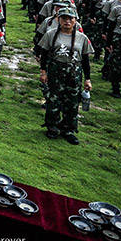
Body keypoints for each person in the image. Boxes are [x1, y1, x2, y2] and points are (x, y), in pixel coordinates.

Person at [37, 8, 93, 144]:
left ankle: (68, 129)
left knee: (72, 102)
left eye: (70, 19)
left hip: (74, 73)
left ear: (75, 21)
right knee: (53, 99)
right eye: (64, 18)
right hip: (56, 71)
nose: (67, 21)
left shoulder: (82, 37)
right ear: (59, 19)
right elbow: (44, 55)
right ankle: (52, 126)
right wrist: (43, 71)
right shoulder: (51, 34)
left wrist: (87, 79)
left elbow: (85, 60)